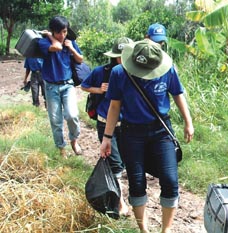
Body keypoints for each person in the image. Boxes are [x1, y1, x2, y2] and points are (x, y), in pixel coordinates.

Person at [100, 39, 194, 233]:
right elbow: (115, 106)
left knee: (169, 179)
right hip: (131, 132)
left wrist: (188, 122)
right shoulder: (119, 73)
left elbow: (177, 94)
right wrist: (107, 138)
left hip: (161, 131)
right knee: (136, 181)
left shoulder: (168, 70)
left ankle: (165, 229)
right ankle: (143, 229)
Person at [81, 37, 133, 217]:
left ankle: (118, 195)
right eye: (120, 56)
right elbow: (84, 86)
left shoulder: (134, 73)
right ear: (115, 57)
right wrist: (100, 90)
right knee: (116, 164)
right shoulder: (101, 72)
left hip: (127, 124)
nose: (123, 60)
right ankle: (119, 203)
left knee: (124, 163)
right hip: (105, 124)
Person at [38, 16, 83, 158]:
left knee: (72, 115)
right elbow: (56, 47)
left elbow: (80, 59)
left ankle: (74, 140)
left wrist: (71, 48)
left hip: (67, 85)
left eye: (64, 31)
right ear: (52, 31)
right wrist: (51, 37)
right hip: (51, 87)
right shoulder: (44, 42)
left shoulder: (70, 42)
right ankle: (61, 148)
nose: (62, 35)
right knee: (56, 120)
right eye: (59, 32)